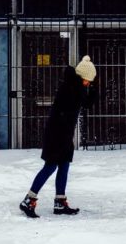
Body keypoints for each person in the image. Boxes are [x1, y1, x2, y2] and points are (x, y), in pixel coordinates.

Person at [19, 55, 98, 218]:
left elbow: (86, 102)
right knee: (51, 166)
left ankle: (60, 202)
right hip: (57, 133)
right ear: (82, 77)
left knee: (64, 165)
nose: (88, 83)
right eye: (88, 80)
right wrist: (89, 91)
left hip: (64, 133)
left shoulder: (76, 86)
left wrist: (92, 89)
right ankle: (28, 200)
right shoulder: (71, 87)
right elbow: (83, 102)